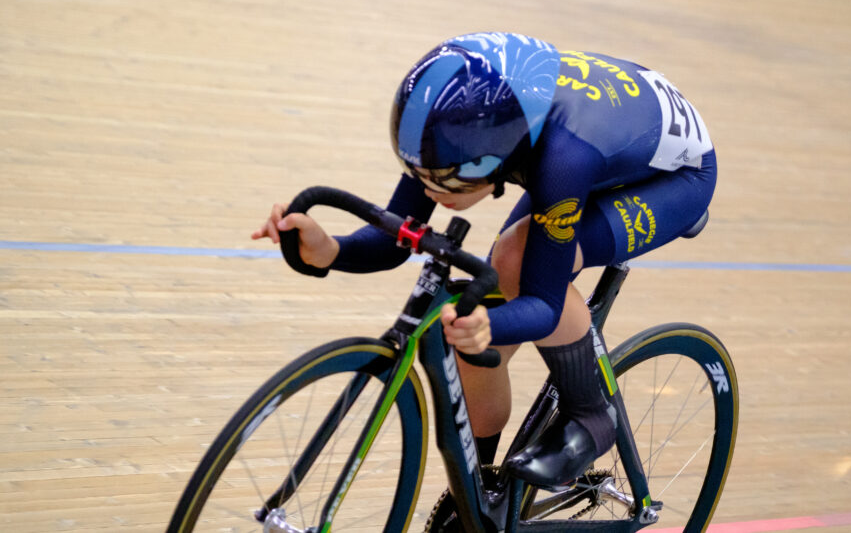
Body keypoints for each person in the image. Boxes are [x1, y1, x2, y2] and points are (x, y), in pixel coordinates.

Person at [252, 32, 716, 486]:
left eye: (449, 180)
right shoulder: (450, 131)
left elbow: (544, 305)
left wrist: (492, 326)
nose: (433, 191)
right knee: (473, 346)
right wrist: (329, 249)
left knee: (515, 257)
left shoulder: (562, 158)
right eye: (423, 176)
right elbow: (392, 239)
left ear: (497, 153)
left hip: (674, 178)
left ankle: (591, 419)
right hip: (604, 130)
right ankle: (482, 496)